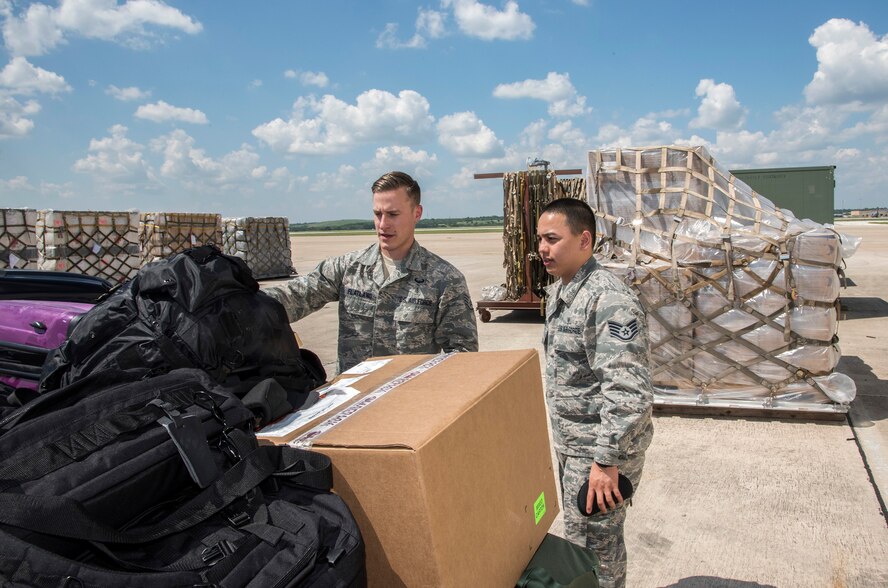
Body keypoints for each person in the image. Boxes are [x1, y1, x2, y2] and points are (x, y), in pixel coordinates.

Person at [536, 198, 654, 588]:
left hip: (600, 454)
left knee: (595, 548)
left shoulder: (607, 300)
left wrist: (605, 462)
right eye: (540, 239)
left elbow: (629, 393)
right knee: (582, 542)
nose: (542, 248)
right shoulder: (560, 293)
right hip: (575, 447)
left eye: (552, 239)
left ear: (584, 240)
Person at [266, 171, 479, 374]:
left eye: (393, 214)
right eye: (378, 214)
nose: (383, 224)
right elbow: (293, 297)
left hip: (409, 400)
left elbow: (462, 356)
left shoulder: (445, 280)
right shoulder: (348, 268)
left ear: (417, 213)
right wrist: (241, 299)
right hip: (352, 399)